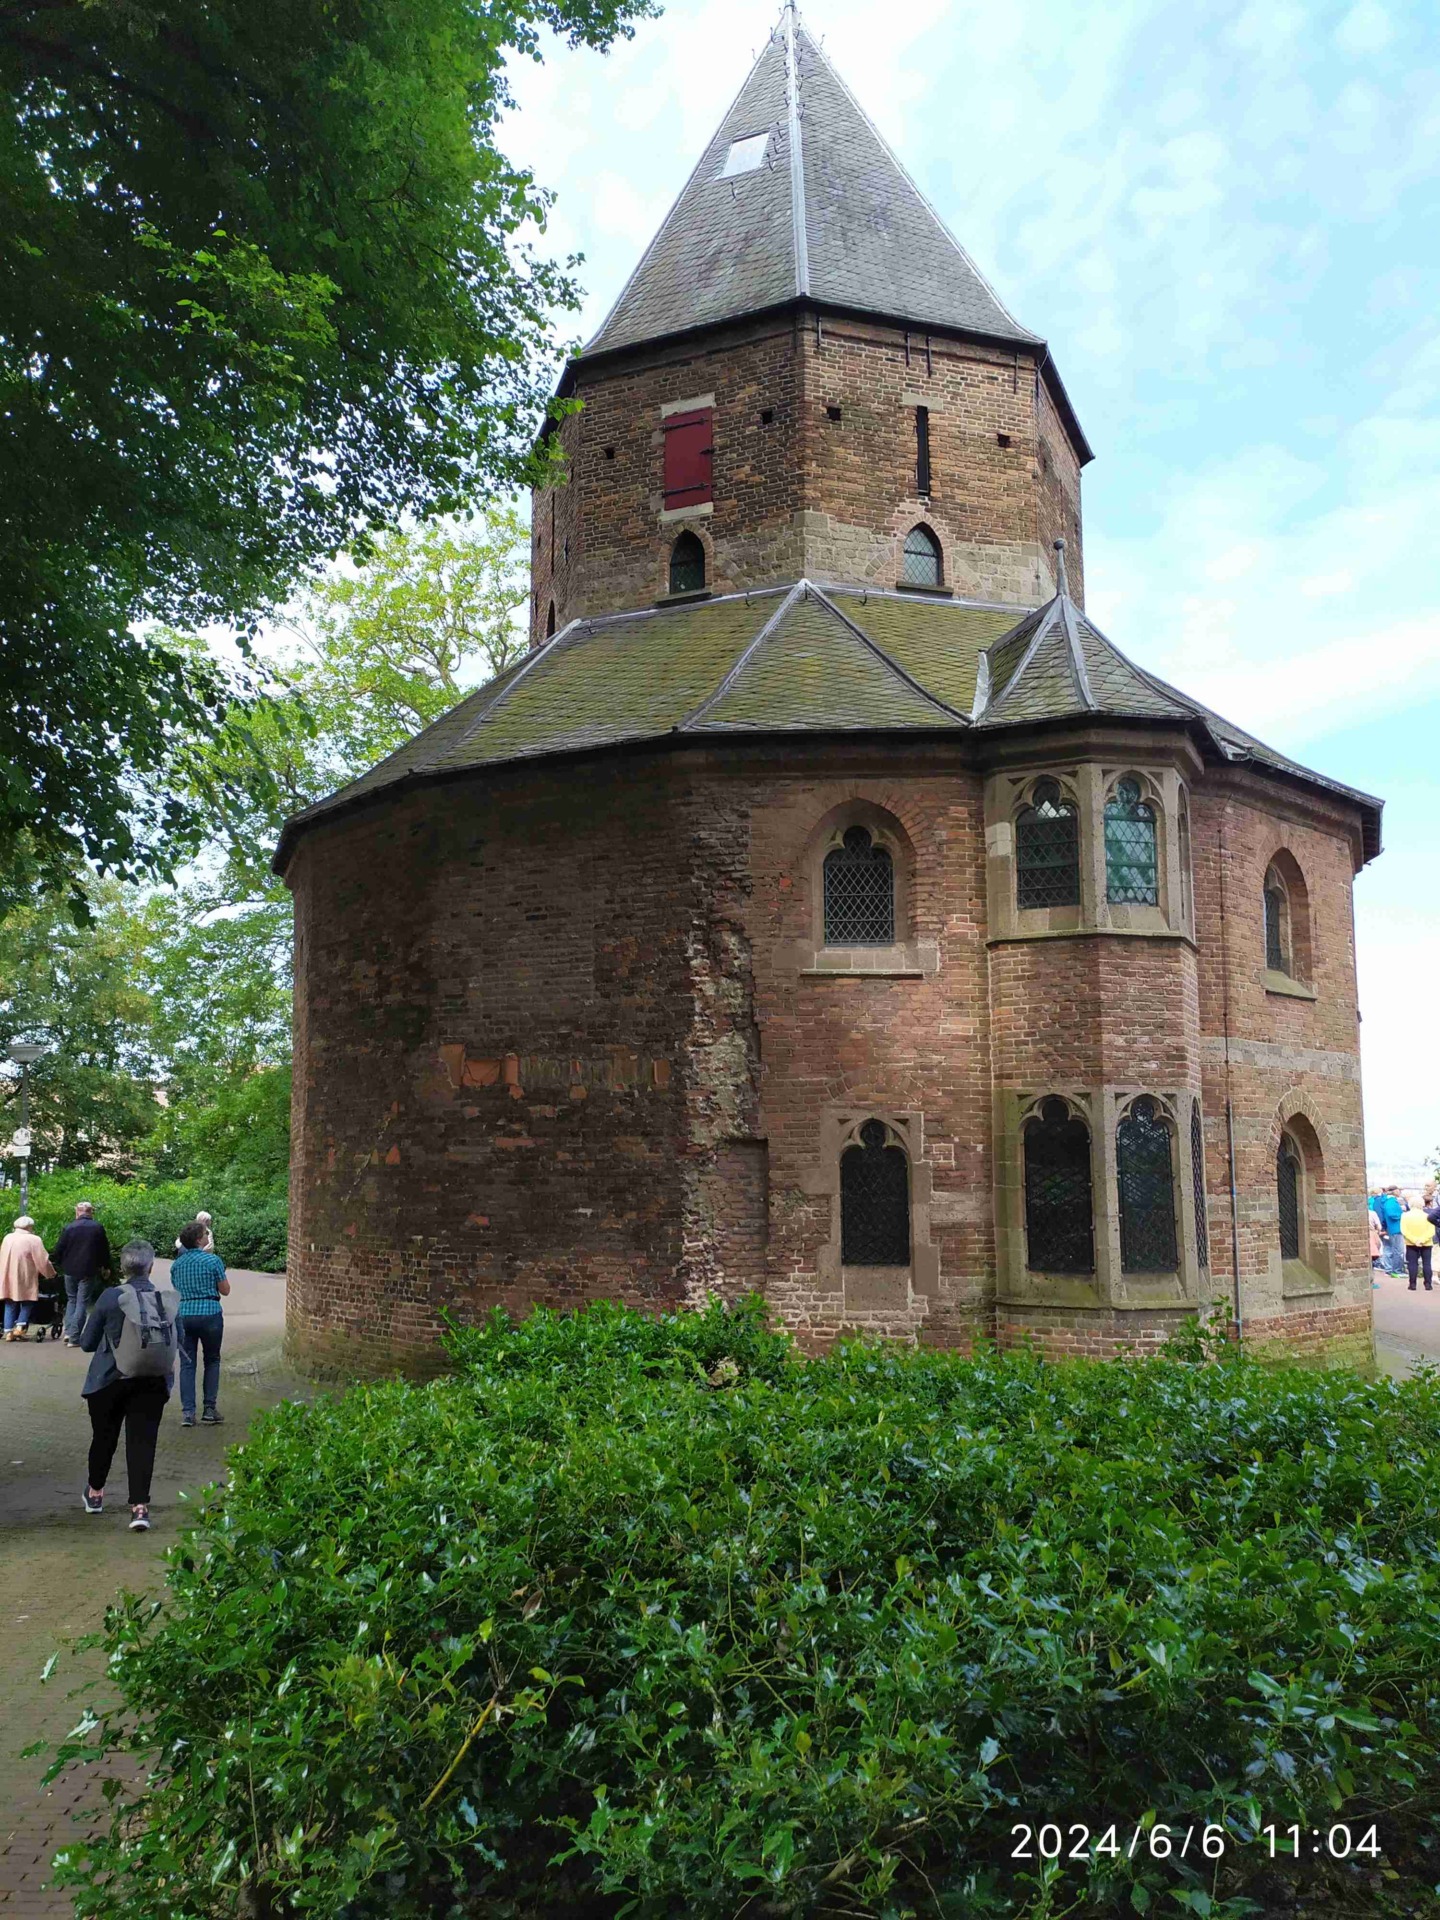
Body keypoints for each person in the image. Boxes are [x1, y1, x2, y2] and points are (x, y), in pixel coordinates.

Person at [77, 1240, 179, 1531]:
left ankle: (95, 1493)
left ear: (123, 1268)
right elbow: (178, 1340)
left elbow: (87, 1343)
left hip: (108, 1381)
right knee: (142, 1442)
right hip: (152, 1381)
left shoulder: (111, 1297)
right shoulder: (165, 1300)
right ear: (151, 1267)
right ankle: (139, 1508)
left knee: (104, 1438)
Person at [171, 1219, 230, 1427]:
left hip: (184, 1314)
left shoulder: (177, 1265)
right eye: (205, 1234)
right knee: (212, 1360)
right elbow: (225, 1290)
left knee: (187, 1363)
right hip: (210, 1313)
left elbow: (177, 1289)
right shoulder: (213, 1261)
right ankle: (209, 1409)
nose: (207, 1237)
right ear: (198, 1240)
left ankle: (188, 1413)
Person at [51, 1201, 113, 1346]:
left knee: (71, 1300)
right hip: (88, 1270)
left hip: (69, 1270)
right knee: (82, 1302)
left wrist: (61, 1264)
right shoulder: (97, 1228)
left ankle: (68, 1333)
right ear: (91, 1212)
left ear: (77, 1212)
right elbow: (104, 1250)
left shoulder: (69, 1227)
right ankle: (74, 1337)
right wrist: (106, 1266)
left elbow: (59, 1249)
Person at [0, 1215, 54, 1340]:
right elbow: (42, 1260)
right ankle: (20, 1327)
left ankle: (8, 1332)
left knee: (10, 1301)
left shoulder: (8, 1238)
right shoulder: (34, 1239)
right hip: (25, 1274)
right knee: (28, 1300)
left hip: (8, 1275)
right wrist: (50, 1273)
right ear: (29, 1226)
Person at [1401, 1195, 1436, 1292]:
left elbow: (1404, 1230)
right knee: (1427, 1263)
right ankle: (1428, 1284)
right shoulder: (1428, 1216)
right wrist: (1422, 1240)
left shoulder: (1405, 1216)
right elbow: (1431, 1231)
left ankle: (1412, 1284)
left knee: (1412, 1263)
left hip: (1411, 1243)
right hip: (1426, 1243)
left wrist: (1414, 1240)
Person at [1374, 1186, 1406, 1278]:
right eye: (1398, 1190)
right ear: (1394, 1191)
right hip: (1396, 1228)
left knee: (1391, 1249)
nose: (1400, 1191)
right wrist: (1402, 1215)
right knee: (1398, 1250)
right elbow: (1391, 1214)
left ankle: (1392, 1269)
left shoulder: (1387, 1201)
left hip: (1391, 1228)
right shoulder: (1391, 1201)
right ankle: (1397, 1270)